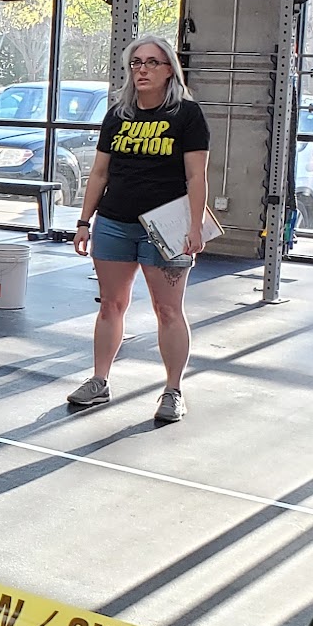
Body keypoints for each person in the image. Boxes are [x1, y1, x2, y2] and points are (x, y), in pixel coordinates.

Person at [67, 34, 210, 425]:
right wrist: (84, 222)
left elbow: (196, 176)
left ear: (169, 70)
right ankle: (99, 380)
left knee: (168, 309)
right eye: (136, 63)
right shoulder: (118, 115)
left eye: (151, 63)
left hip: (166, 226)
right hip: (115, 221)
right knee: (110, 304)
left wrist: (195, 226)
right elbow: (99, 173)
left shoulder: (187, 115)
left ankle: (173, 390)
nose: (142, 70)